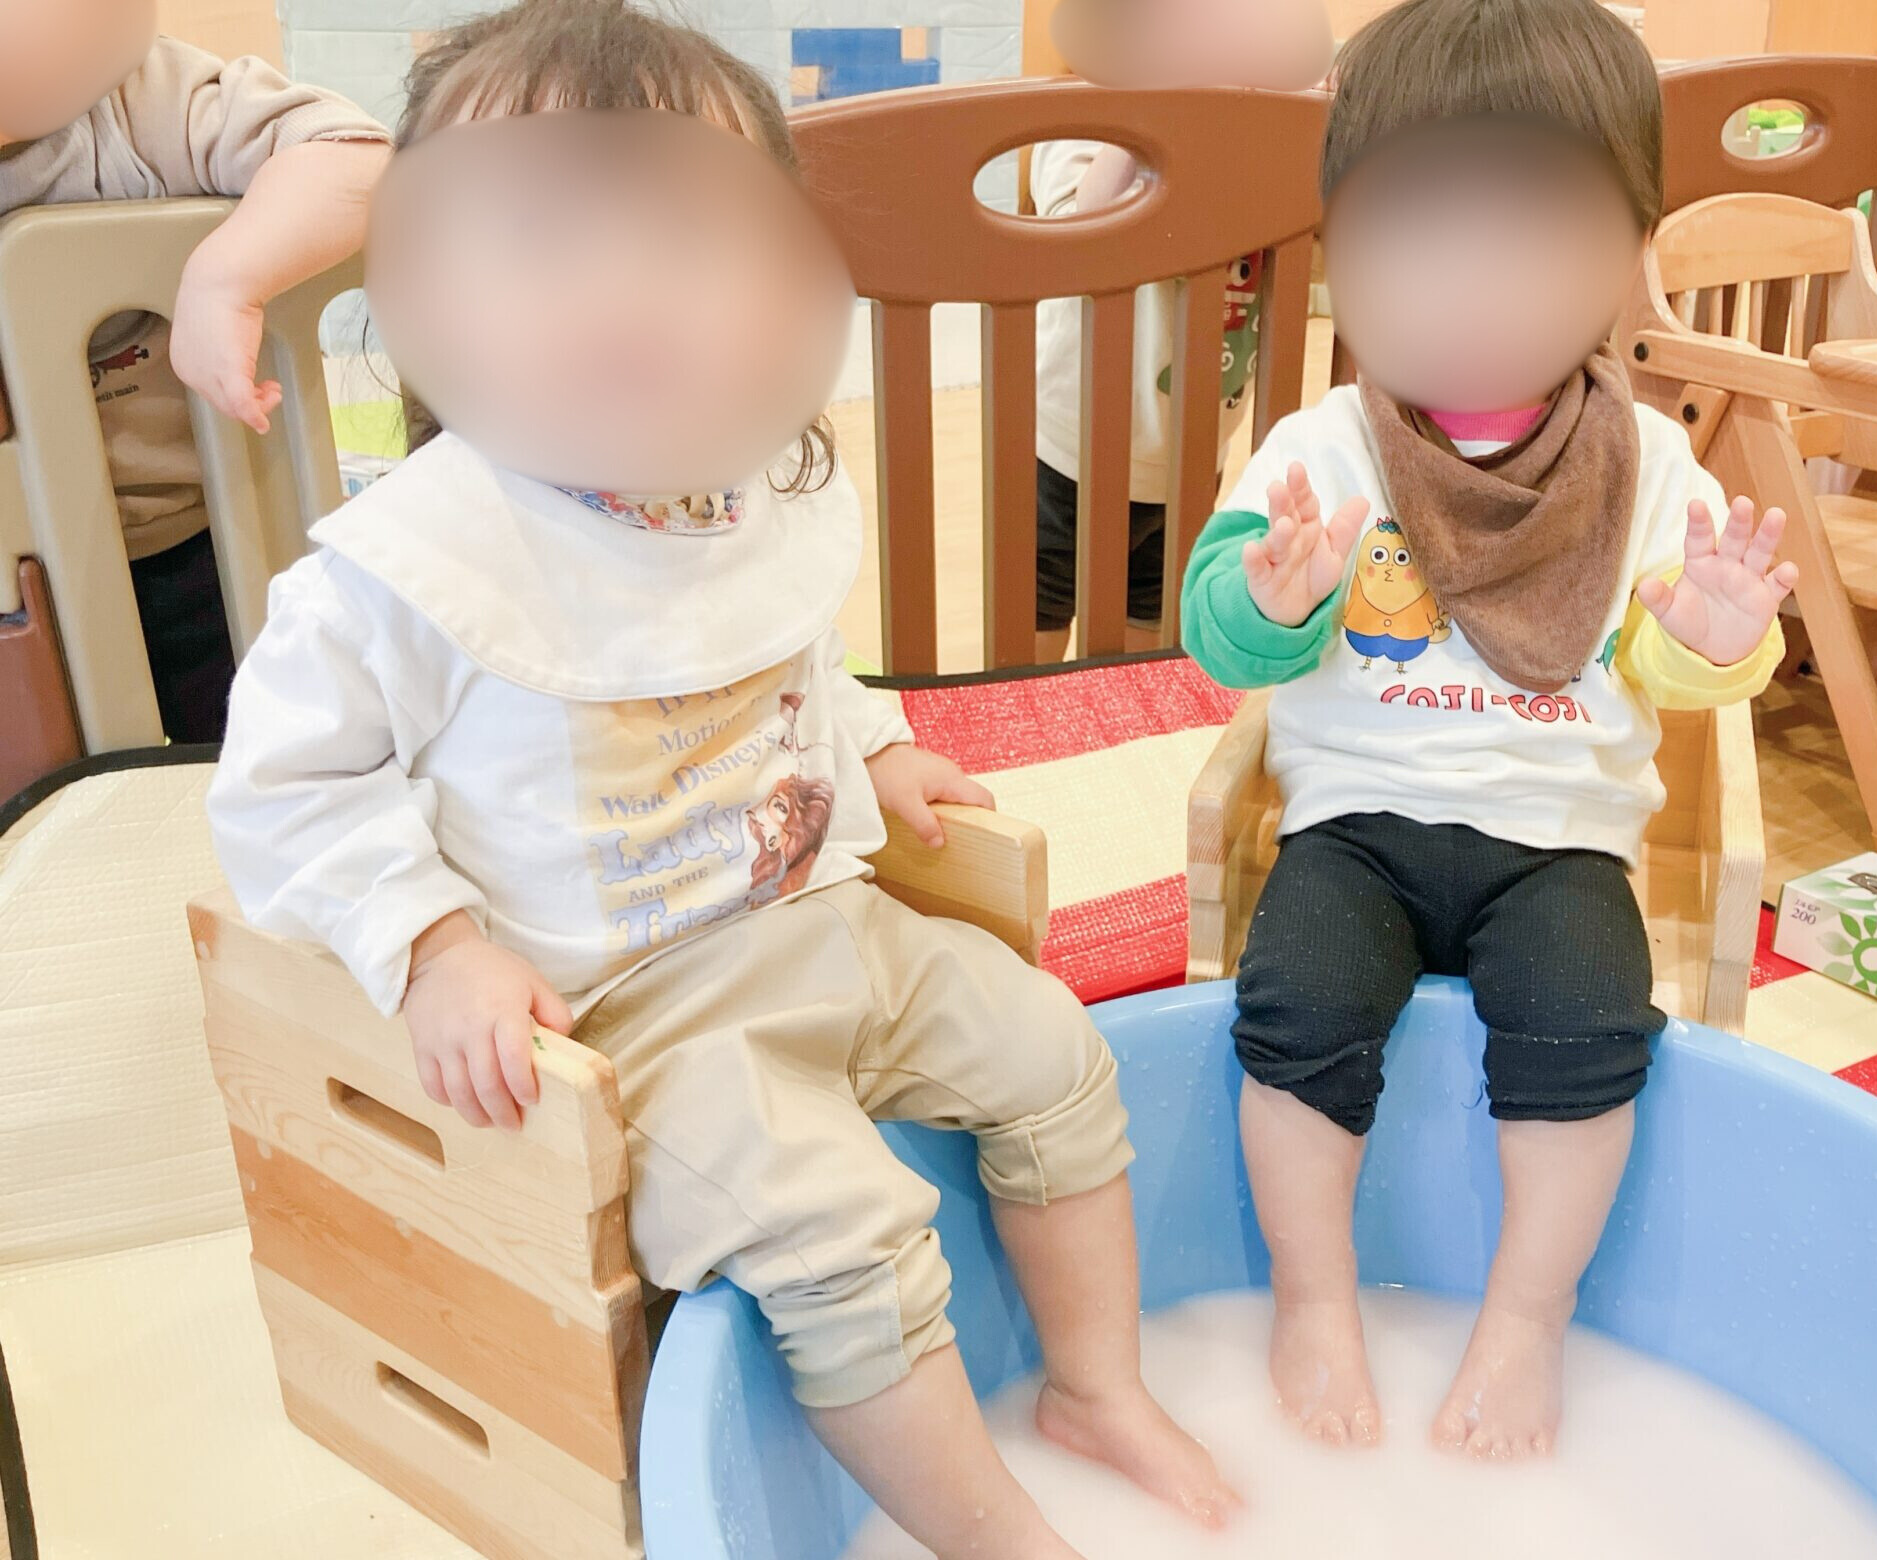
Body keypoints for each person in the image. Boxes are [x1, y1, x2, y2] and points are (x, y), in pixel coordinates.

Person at [204, 5, 1234, 1555]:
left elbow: (786, 653)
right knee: (844, 1235)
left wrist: (875, 746)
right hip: (630, 1020)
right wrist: (431, 943)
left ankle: (1100, 1390)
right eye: (545, 242)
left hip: (820, 923)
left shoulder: (740, 488)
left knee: (1056, 1052)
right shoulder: (408, 567)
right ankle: (994, 1531)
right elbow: (287, 791)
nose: (624, 293)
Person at [1180, 0, 1795, 1460]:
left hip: (1559, 840)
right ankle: (1313, 1296)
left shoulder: (1650, 463)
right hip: (1356, 823)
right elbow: (1218, 634)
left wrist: (1715, 632)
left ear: (1628, 256)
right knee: (1296, 1012)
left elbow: (1672, 662)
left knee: (1592, 1031)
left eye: (1531, 240)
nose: (1470, 288)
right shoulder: (1321, 446)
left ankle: (1528, 1319)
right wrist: (1270, 598)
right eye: (1415, 236)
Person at [0, 1, 389, 743]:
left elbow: (359, 160)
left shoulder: (148, 102)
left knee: (261, 742)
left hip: (198, 542)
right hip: (21, 585)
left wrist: (226, 279)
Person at [1029, 0, 1334, 660]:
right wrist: (1143, 108)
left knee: (1148, 627)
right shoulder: (1077, 120)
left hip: (1192, 454)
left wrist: (1309, 115)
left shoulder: (1259, 143)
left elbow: (1316, 254)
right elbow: (1078, 232)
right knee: (1038, 619)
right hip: (1070, 446)